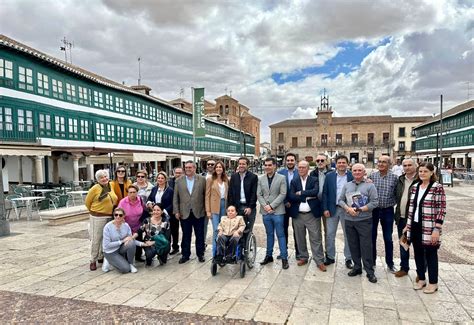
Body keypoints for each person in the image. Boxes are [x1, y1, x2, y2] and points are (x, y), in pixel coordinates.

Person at [406, 162, 446, 294]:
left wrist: (437, 229)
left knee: (431, 254)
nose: (422, 174)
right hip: (415, 225)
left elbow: (441, 209)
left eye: (425, 171)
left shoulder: (437, 187)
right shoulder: (416, 186)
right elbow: (412, 208)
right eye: (421, 171)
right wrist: (408, 225)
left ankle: (433, 283)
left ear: (431, 173)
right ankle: (421, 279)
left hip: (430, 226)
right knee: (417, 254)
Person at [339, 163, 379, 283]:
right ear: (352, 172)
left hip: (364, 220)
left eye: (359, 170)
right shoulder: (347, 185)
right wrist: (348, 209)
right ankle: (357, 267)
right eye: (354, 170)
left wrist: (360, 209)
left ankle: (370, 271)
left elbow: (375, 202)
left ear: (363, 172)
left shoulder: (370, 186)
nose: (356, 172)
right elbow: (340, 200)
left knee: (366, 246)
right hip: (349, 220)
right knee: (353, 245)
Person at [289, 160, 325, 271]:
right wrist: (306, 195)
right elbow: (291, 196)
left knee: (316, 238)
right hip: (298, 215)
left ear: (308, 168)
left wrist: (301, 193)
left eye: (303, 167)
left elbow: (315, 191)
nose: (301, 169)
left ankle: (319, 260)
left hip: (312, 215)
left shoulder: (314, 180)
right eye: (299, 167)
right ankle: (303, 257)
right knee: (300, 238)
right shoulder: (294, 181)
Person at [322, 155, 353, 269]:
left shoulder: (351, 175)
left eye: (343, 162)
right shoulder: (329, 176)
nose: (341, 164)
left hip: (347, 209)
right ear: (336, 164)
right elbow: (325, 193)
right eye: (339, 162)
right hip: (332, 209)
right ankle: (330, 256)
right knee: (330, 234)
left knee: (348, 235)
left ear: (347, 164)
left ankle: (348, 258)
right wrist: (325, 208)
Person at [257, 157, 289, 269]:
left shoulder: (282, 178)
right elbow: (259, 194)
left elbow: (283, 194)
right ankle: (268, 256)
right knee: (269, 234)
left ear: (274, 166)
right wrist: (265, 206)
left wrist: (271, 206)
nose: (267, 167)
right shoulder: (260, 179)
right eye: (265, 165)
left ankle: (284, 258)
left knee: (280, 234)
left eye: (269, 165)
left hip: (278, 211)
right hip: (266, 212)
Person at [173, 160, 207, 264]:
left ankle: (200, 254)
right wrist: (176, 211)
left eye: (190, 167)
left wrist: (206, 210)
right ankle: (185, 255)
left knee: (200, 235)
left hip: (199, 211)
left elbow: (205, 195)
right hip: (184, 212)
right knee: (186, 235)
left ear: (194, 168)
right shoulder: (179, 180)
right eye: (186, 167)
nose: (187, 169)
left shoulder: (202, 179)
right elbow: (176, 197)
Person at [369, 155, 398, 273]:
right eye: (379, 162)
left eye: (384, 162)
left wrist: (391, 203)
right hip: (374, 210)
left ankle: (390, 263)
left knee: (388, 238)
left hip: (387, 210)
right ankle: (372, 261)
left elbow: (397, 194)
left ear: (389, 164)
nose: (380, 164)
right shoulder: (372, 176)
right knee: (372, 237)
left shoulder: (394, 178)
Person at [102, 208, 153, 273]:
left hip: (120, 248)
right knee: (125, 269)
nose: (118, 216)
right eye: (116, 215)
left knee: (130, 242)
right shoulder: (107, 227)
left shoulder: (126, 226)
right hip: (110, 251)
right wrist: (122, 241)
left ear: (124, 216)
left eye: (120, 215)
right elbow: (107, 245)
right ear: (113, 215)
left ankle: (130, 263)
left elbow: (131, 240)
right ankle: (108, 259)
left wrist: (143, 244)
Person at [85, 169, 118, 271]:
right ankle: (92, 260)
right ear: (97, 179)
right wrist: (96, 211)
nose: (104, 179)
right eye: (101, 177)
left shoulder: (111, 185)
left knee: (105, 237)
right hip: (98, 216)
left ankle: (101, 256)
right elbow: (87, 202)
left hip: (110, 215)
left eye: (105, 176)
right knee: (96, 238)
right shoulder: (94, 189)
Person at [394, 158, 418, 277]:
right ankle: (404, 268)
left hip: (416, 219)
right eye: (405, 165)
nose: (407, 167)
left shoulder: (420, 179)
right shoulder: (400, 179)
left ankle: (421, 272)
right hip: (402, 217)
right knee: (403, 244)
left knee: (419, 246)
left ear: (415, 166)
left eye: (409, 165)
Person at [228, 156, 258, 240]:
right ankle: (238, 250)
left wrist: (250, 207)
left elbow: (254, 193)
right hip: (237, 207)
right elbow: (230, 193)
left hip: (249, 207)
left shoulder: (253, 177)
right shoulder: (234, 177)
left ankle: (246, 250)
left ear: (247, 165)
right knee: (236, 229)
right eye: (240, 164)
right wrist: (231, 207)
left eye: (243, 164)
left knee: (248, 230)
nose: (241, 165)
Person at [310, 153, 333, 260]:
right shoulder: (312, 173)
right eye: (318, 160)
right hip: (315, 205)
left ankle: (328, 253)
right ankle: (318, 254)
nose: (320, 162)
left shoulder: (332, 173)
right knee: (315, 232)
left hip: (327, 206)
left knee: (328, 231)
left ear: (327, 162)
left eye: (322, 160)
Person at [147, 172, 176, 254]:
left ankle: (166, 250)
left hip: (166, 214)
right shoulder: (154, 189)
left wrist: (164, 211)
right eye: (158, 178)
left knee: (167, 233)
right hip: (156, 214)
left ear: (165, 179)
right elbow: (150, 197)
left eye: (162, 178)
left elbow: (172, 203)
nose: (160, 179)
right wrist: (149, 203)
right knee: (157, 231)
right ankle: (156, 249)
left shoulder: (170, 190)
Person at [278, 152, 300, 259]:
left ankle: (298, 252)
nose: (290, 162)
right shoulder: (280, 173)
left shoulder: (300, 172)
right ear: (285, 161)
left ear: (295, 161)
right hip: (284, 205)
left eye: (292, 160)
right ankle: (283, 251)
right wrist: (285, 201)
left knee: (297, 230)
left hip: (296, 205)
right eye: (288, 160)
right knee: (283, 229)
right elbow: (278, 189)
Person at [205, 161, 229, 257]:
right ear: (215, 169)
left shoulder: (226, 179)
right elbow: (207, 196)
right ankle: (215, 253)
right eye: (217, 167)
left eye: (220, 167)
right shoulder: (210, 179)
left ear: (223, 169)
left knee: (223, 229)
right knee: (216, 230)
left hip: (224, 205)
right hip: (214, 206)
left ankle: (222, 250)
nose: (218, 168)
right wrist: (208, 210)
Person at [118, 184, 145, 262]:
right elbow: (118, 213)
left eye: (134, 192)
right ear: (127, 193)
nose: (132, 194)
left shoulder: (140, 200)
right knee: (128, 242)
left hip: (137, 225)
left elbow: (144, 209)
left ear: (137, 192)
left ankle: (138, 256)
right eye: (130, 192)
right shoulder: (123, 202)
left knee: (139, 240)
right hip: (126, 226)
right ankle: (126, 258)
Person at [202, 159, 216, 245]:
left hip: (215, 205)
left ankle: (217, 245)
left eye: (212, 164)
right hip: (203, 205)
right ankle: (203, 243)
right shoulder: (202, 176)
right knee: (203, 226)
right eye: (208, 164)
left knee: (216, 227)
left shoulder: (219, 176)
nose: (210, 166)